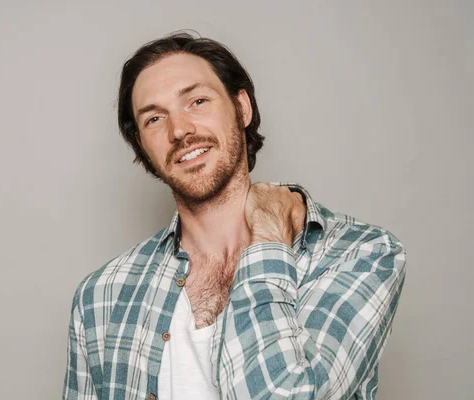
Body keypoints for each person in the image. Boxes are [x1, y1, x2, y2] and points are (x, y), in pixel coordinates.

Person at [62, 32, 407, 400]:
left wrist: (269, 237)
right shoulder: (100, 296)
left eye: (197, 101)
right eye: (154, 119)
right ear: (142, 149)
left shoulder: (361, 254)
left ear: (242, 108)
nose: (179, 130)